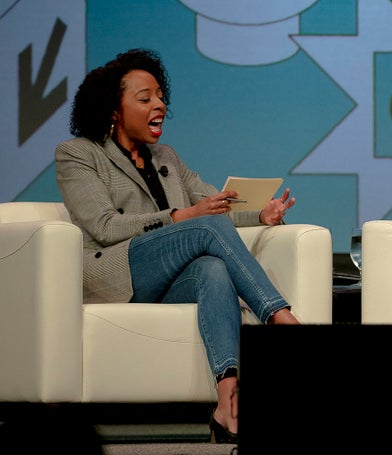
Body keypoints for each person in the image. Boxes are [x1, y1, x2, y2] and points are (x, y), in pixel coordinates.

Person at [55, 48, 299, 444]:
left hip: (161, 280)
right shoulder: (78, 154)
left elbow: (213, 206)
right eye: (145, 98)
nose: (160, 105)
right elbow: (103, 226)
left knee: (213, 269)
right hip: (113, 273)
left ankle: (227, 406)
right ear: (114, 109)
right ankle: (282, 320)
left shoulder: (165, 156)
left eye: (160, 96)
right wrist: (180, 216)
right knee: (203, 229)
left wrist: (260, 216)